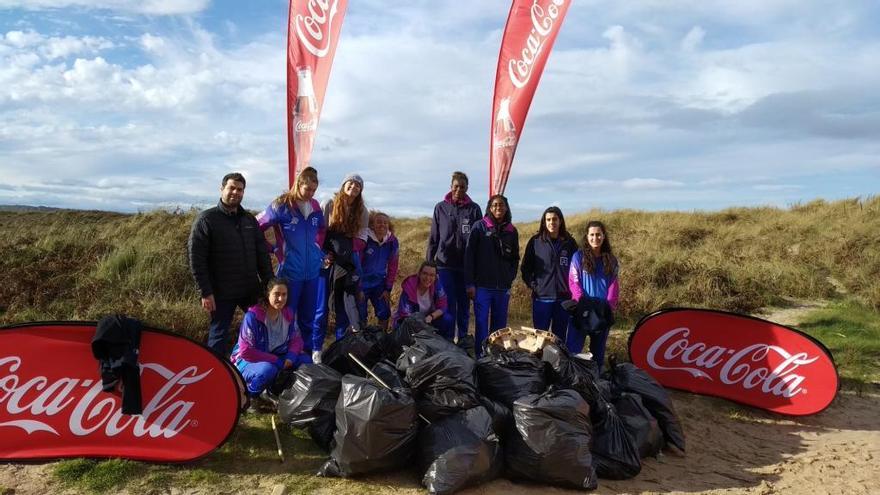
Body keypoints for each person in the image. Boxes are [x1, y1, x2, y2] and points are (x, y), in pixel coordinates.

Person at [188, 172, 273, 357]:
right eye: (231, 188)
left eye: (240, 189)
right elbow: (196, 259)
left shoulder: (249, 220)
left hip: (250, 289)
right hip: (221, 292)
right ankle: (212, 373)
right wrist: (205, 292)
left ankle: (256, 367)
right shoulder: (206, 220)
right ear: (222, 189)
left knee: (261, 327)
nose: (235, 192)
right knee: (218, 336)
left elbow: (262, 254)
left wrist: (269, 283)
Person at [256, 166, 326, 363]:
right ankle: (282, 357)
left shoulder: (315, 206)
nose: (310, 193)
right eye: (307, 189)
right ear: (298, 184)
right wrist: (273, 249)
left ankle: (305, 357)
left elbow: (321, 230)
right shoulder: (281, 205)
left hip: (312, 272)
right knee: (286, 317)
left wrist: (316, 250)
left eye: (314, 190)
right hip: (290, 274)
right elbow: (256, 226)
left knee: (308, 317)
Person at [230, 278, 312, 401]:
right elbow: (246, 351)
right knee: (268, 370)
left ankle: (275, 390)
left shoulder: (287, 313)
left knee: (306, 361)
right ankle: (248, 396)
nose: (280, 299)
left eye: (284, 294)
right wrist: (274, 360)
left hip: (277, 355)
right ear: (267, 294)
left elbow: (296, 339)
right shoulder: (252, 317)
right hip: (247, 360)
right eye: (276, 294)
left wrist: (291, 356)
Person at [426, 171, 482, 341]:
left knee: (464, 305)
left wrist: (477, 269)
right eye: (456, 186)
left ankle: (463, 339)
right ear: (451, 187)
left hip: (466, 267)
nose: (459, 189)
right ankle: (448, 339)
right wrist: (429, 263)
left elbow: (479, 242)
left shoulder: (474, 209)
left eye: (462, 187)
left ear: (467, 188)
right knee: (447, 305)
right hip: (444, 265)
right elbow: (434, 238)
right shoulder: (440, 207)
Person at [464, 194, 519, 357]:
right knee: (481, 324)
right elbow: (469, 256)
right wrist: (470, 284)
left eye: (501, 205)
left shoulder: (511, 230)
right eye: (495, 205)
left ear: (506, 208)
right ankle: (481, 357)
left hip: (503, 287)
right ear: (489, 207)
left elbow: (515, 258)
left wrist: (510, 277)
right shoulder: (479, 227)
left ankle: (495, 357)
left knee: (499, 327)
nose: (498, 208)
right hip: (482, 286)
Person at [319, 173, 369, 343]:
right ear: (343, 184)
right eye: (351, 183)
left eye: (358, 185)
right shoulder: (329, 203)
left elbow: (362, 237)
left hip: (348, 254)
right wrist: (324, 254)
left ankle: (351, 333)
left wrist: (346, 250)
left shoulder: (362, 210)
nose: (354, 187)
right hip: (328, 254)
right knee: (322, 300)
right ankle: (316, 345)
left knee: (349, 293)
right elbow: (319, 231)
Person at [520, 206, 579, 343]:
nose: (552, 222)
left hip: (563, 299)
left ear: (560, 221)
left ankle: (558, 364)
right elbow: (526, 268)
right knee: (540, 339)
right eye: (548, 219)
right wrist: (535, 286)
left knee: (559, 339)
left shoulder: (570, 243)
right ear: (544, 222)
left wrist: (572, 291)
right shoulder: (535, 242)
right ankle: (541, 364)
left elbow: (577, 270)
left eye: (555, 219)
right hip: (542, 298)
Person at [568, 220, 619, 369]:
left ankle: (596, 382)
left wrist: (608, 307)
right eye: (592, 235)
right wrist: (581, 302)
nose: (595, 238)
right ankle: (572, 379)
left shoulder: (611, 260)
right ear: (587, 236)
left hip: (601, 312)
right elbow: (573, 281)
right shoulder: (578, 257)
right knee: (573, 350)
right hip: (582, 310)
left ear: (604, 237)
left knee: (598, 353)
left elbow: (614, 286)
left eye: (598, 235)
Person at [358, 211, 399, 330]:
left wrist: (388, 288)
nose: (382, 225)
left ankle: (382, 340)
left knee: (384, 313)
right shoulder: (365, 238)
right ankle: (361, 342)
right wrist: (358, 286)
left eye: (385, 222)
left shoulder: (392, 242)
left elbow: (393, 265)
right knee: (360, 315)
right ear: (372, 224)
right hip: (362, 283)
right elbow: (357, 263)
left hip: (379, 283)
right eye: (379, 222)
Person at [392, 261, 452, 334]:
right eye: (425, 273)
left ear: (436, 277)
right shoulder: (409, 286)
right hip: (410, 321)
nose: (428, 278)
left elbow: (443, 307)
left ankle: (443, 341)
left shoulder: (437, 286)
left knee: (447, 319)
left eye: (432, 275)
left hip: (428, 320)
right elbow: (405, 314)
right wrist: (421, 326)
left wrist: (431, 316)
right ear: (419, 274)